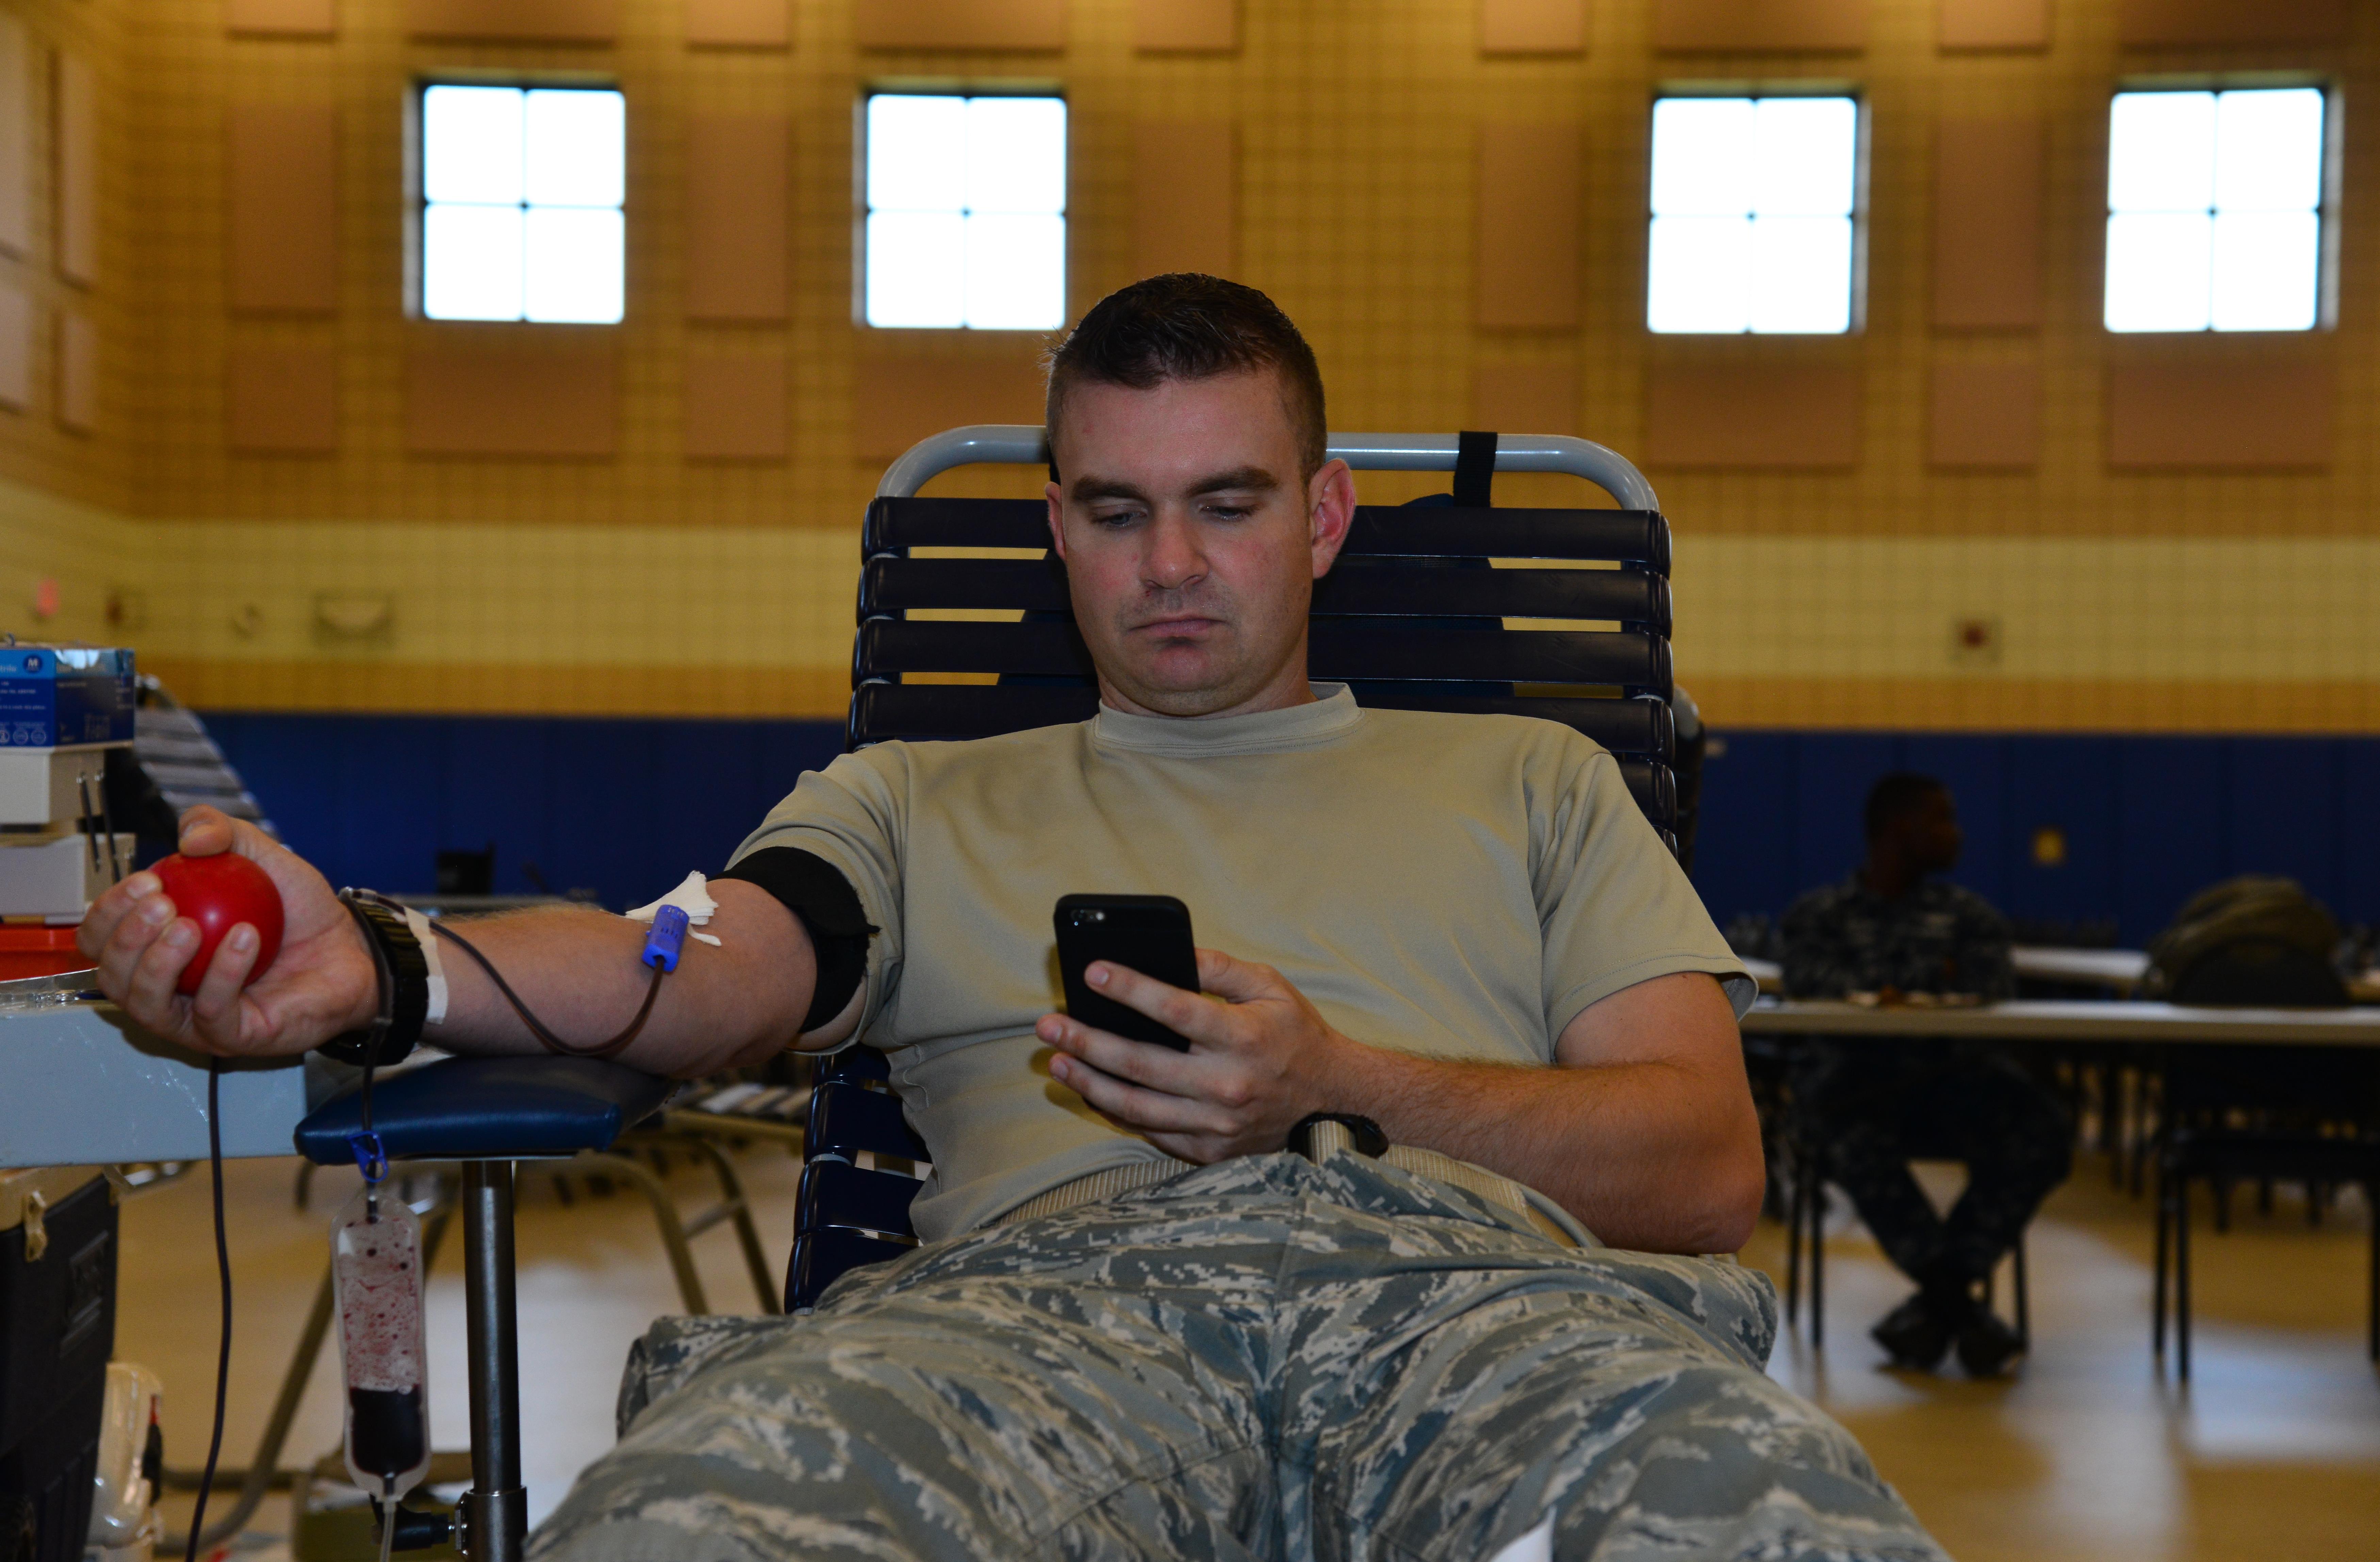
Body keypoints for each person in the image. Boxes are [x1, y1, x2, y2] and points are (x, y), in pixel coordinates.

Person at [84, 276, 1947, 1562]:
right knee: (684, 1527)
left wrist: (1340, 1079)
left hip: (1482, 1311)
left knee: (1768, 1527)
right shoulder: (912, 796)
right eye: (1118, 511)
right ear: (1056, 527)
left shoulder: (1536, 781)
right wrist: (387, 961)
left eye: (1228, 503)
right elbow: (686, 961)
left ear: (1325, 515)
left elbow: (1703, 1166)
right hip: (1045, 1324)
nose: (1173, 566)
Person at [1781, 773, 2072, 1379]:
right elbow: (1813, 989)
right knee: (1847, 1133)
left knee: (2044, 1125)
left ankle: (1938, 1306)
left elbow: (1992, 992)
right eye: (1942, 820)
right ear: (1900, 830)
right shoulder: (1820, 917)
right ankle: (1960, 1308)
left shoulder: (1969, 917)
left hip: (1950, 1080)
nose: (1955, 834)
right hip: (1854, 1086)